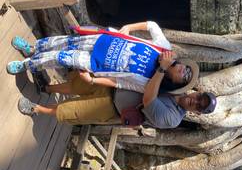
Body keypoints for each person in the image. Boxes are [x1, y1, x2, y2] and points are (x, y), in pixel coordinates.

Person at [16, 50, 217, 128]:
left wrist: (163, 68)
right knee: (77, 84)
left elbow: (148, 99)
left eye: (200, 106)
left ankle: (36, 109)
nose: (196, 101)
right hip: (114, 84)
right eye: (200, 98)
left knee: (72, 110)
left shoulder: (172, 119)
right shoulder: (177, 88)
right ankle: (47, 88)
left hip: (112, 107)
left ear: (196, 113)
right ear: (198, 92)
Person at [7, 21, 198, 94]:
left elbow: (119, 84)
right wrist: (130, 28)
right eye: (187, 68)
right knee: (64, 42)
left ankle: (28, 64)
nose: (184, 71)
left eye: (185, 77)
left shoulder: (151, 84)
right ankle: (33, 48)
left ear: (174, 82)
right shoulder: (164, 48)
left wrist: (92, 80)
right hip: (103, 41)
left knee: (62, 57)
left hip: (96, 63)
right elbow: (153, 26)